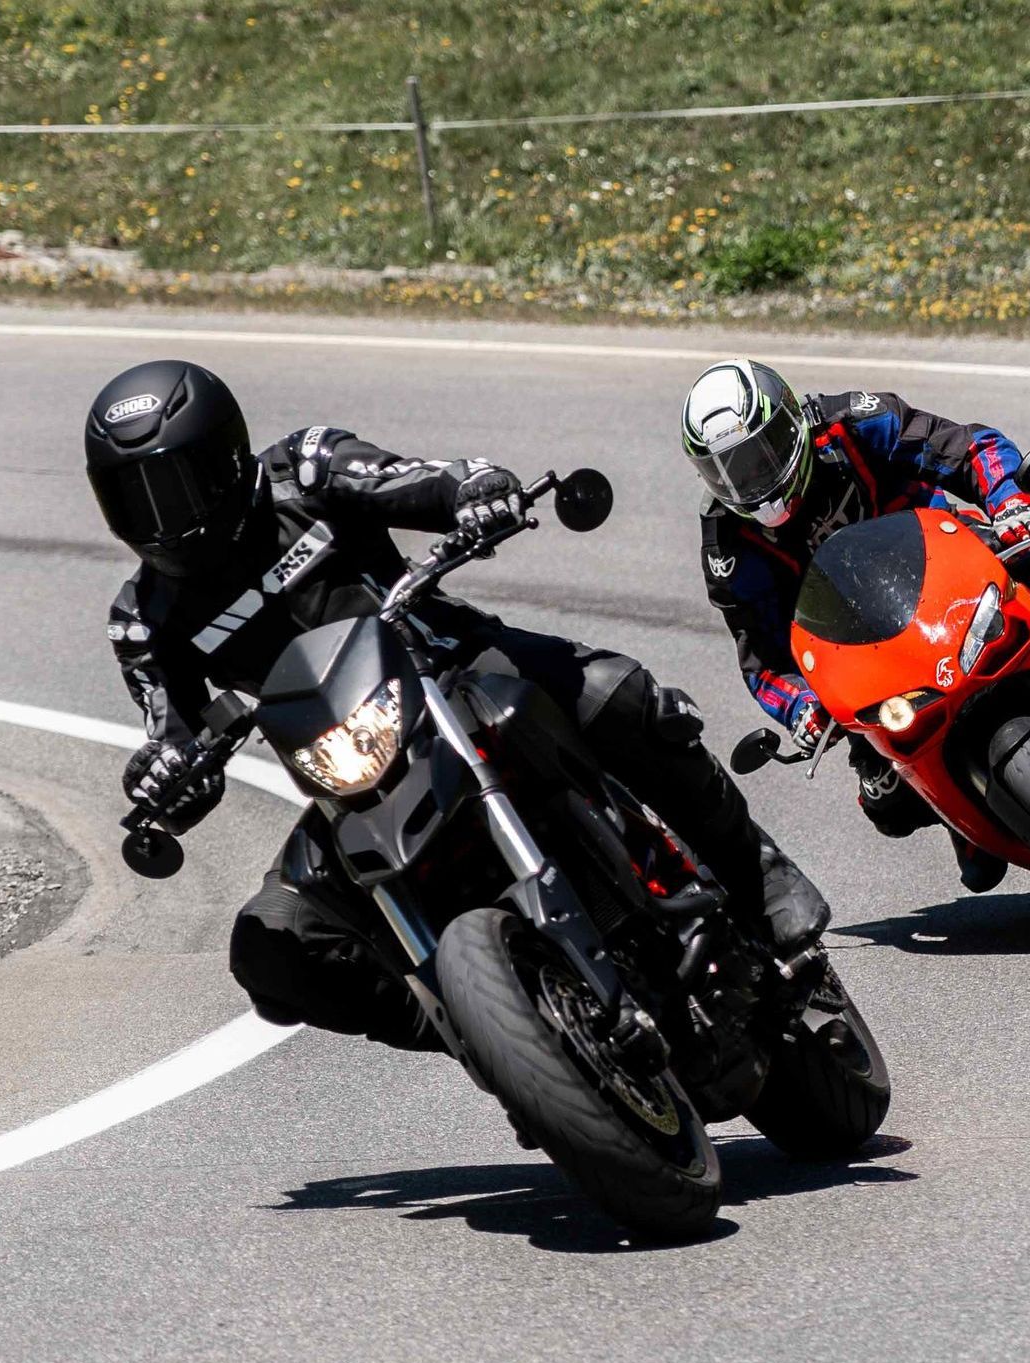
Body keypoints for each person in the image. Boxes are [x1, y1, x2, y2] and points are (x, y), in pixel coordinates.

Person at [89, 358, 829, 1052]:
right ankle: (486, 1030)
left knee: (621, 695)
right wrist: (163, 776)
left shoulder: (306, 469)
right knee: (273, 951)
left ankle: (760, 881)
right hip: (353, 774)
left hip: (450, 668)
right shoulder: (144, 618)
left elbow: (425, 480)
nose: (161, 516)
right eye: (134, 497)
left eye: (176, 485)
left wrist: (477, 491)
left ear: (226, 454)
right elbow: (169, 732)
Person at [682, 357, 1030, 892]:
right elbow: (762, 659)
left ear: (790, 424)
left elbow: (967, 447)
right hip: (858, 647)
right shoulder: (726, 545)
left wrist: (1009, 497)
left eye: (756, 459)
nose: (748, 481)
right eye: (724, 471)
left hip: (944, 559)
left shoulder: (853, 423)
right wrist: (800, 708)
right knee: (885, 800)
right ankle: (961, 808)